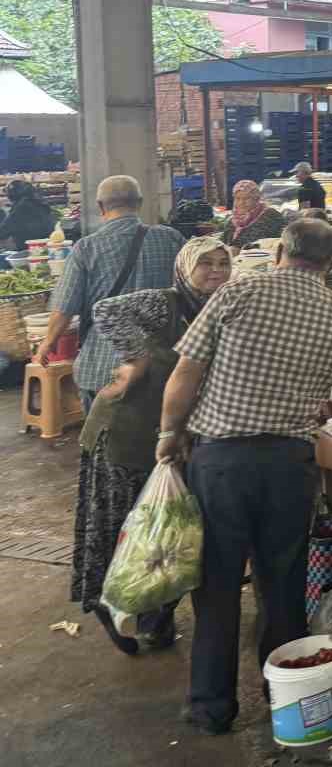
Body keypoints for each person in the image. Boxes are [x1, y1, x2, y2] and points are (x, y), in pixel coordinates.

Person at [158, 219, 332, 735]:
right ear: (331, 265)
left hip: (219, 462)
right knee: (282, 581)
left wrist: (168, 434)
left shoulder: (238, 291)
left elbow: (186, 373)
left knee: (216, 584)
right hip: (289, 465)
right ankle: (283, 691)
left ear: (282, 250)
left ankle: (210, 707)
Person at [71, 236, 232, 655]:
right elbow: (105, 309)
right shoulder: (167, 303)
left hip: (170, 436)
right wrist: (138, 356)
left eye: (222, 263)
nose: (216, 271)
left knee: (172, 530)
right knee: (131, 528)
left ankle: (155, 618)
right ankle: (116, 605)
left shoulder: (219, 309)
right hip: (126, 431)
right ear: (184, 269)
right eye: (205, 264)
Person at [35, 176, 185, 414]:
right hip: (162, 361)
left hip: (105, 367)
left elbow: (65, 307)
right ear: (140, 203)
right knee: (156, 435)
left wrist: (47, 343)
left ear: (101, 207)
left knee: (103, 441)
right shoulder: (171, 238)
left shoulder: (86, 248)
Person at [220, 179, 287, 250]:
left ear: (256, 199)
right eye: (237, 198)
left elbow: (273, 243)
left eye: (247, 198)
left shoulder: (270, 215)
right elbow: (222, 243)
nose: (241, 203)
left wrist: (240, 250)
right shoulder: (231, 220)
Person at [0, 178, 57, 249]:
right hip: (50, 246)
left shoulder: (21, 208)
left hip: (32, 250)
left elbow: (3, 232)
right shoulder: (40, 203)